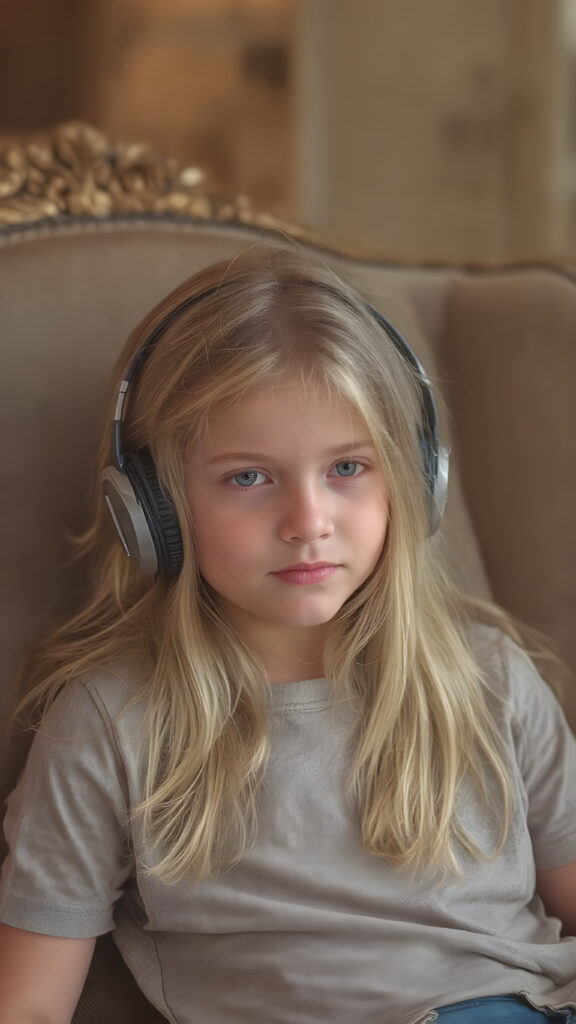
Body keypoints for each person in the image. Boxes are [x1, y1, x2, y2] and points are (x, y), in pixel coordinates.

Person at [0, 244, 575, 1024]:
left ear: (414, 480)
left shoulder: (491, 680)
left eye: (347, 468)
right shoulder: (108, 722)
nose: (309, 523)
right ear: (151, 513)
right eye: (248, 477)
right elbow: (29, 1004)